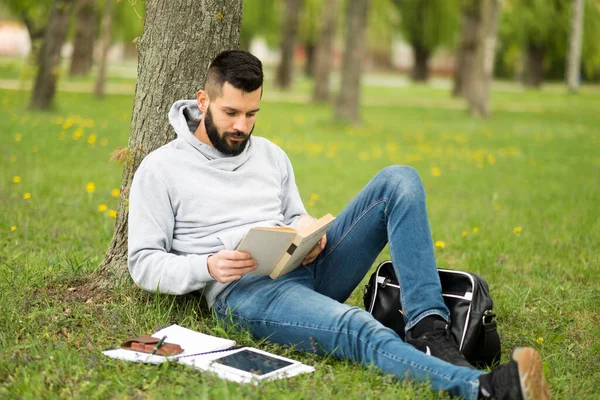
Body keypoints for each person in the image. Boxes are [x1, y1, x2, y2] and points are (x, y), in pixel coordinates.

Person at [127, 50, 551, 400]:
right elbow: (143, 262)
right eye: (231, 113)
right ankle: (485, 389)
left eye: (252, 114)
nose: (242, 127)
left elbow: (293, 213)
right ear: (203, 101)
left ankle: (428, 328)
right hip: (244, 293)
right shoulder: (162, 169)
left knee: (399, 181)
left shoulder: (270, 154)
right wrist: (206, 267)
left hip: (305, 269)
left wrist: (308, 230)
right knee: (357, 327)